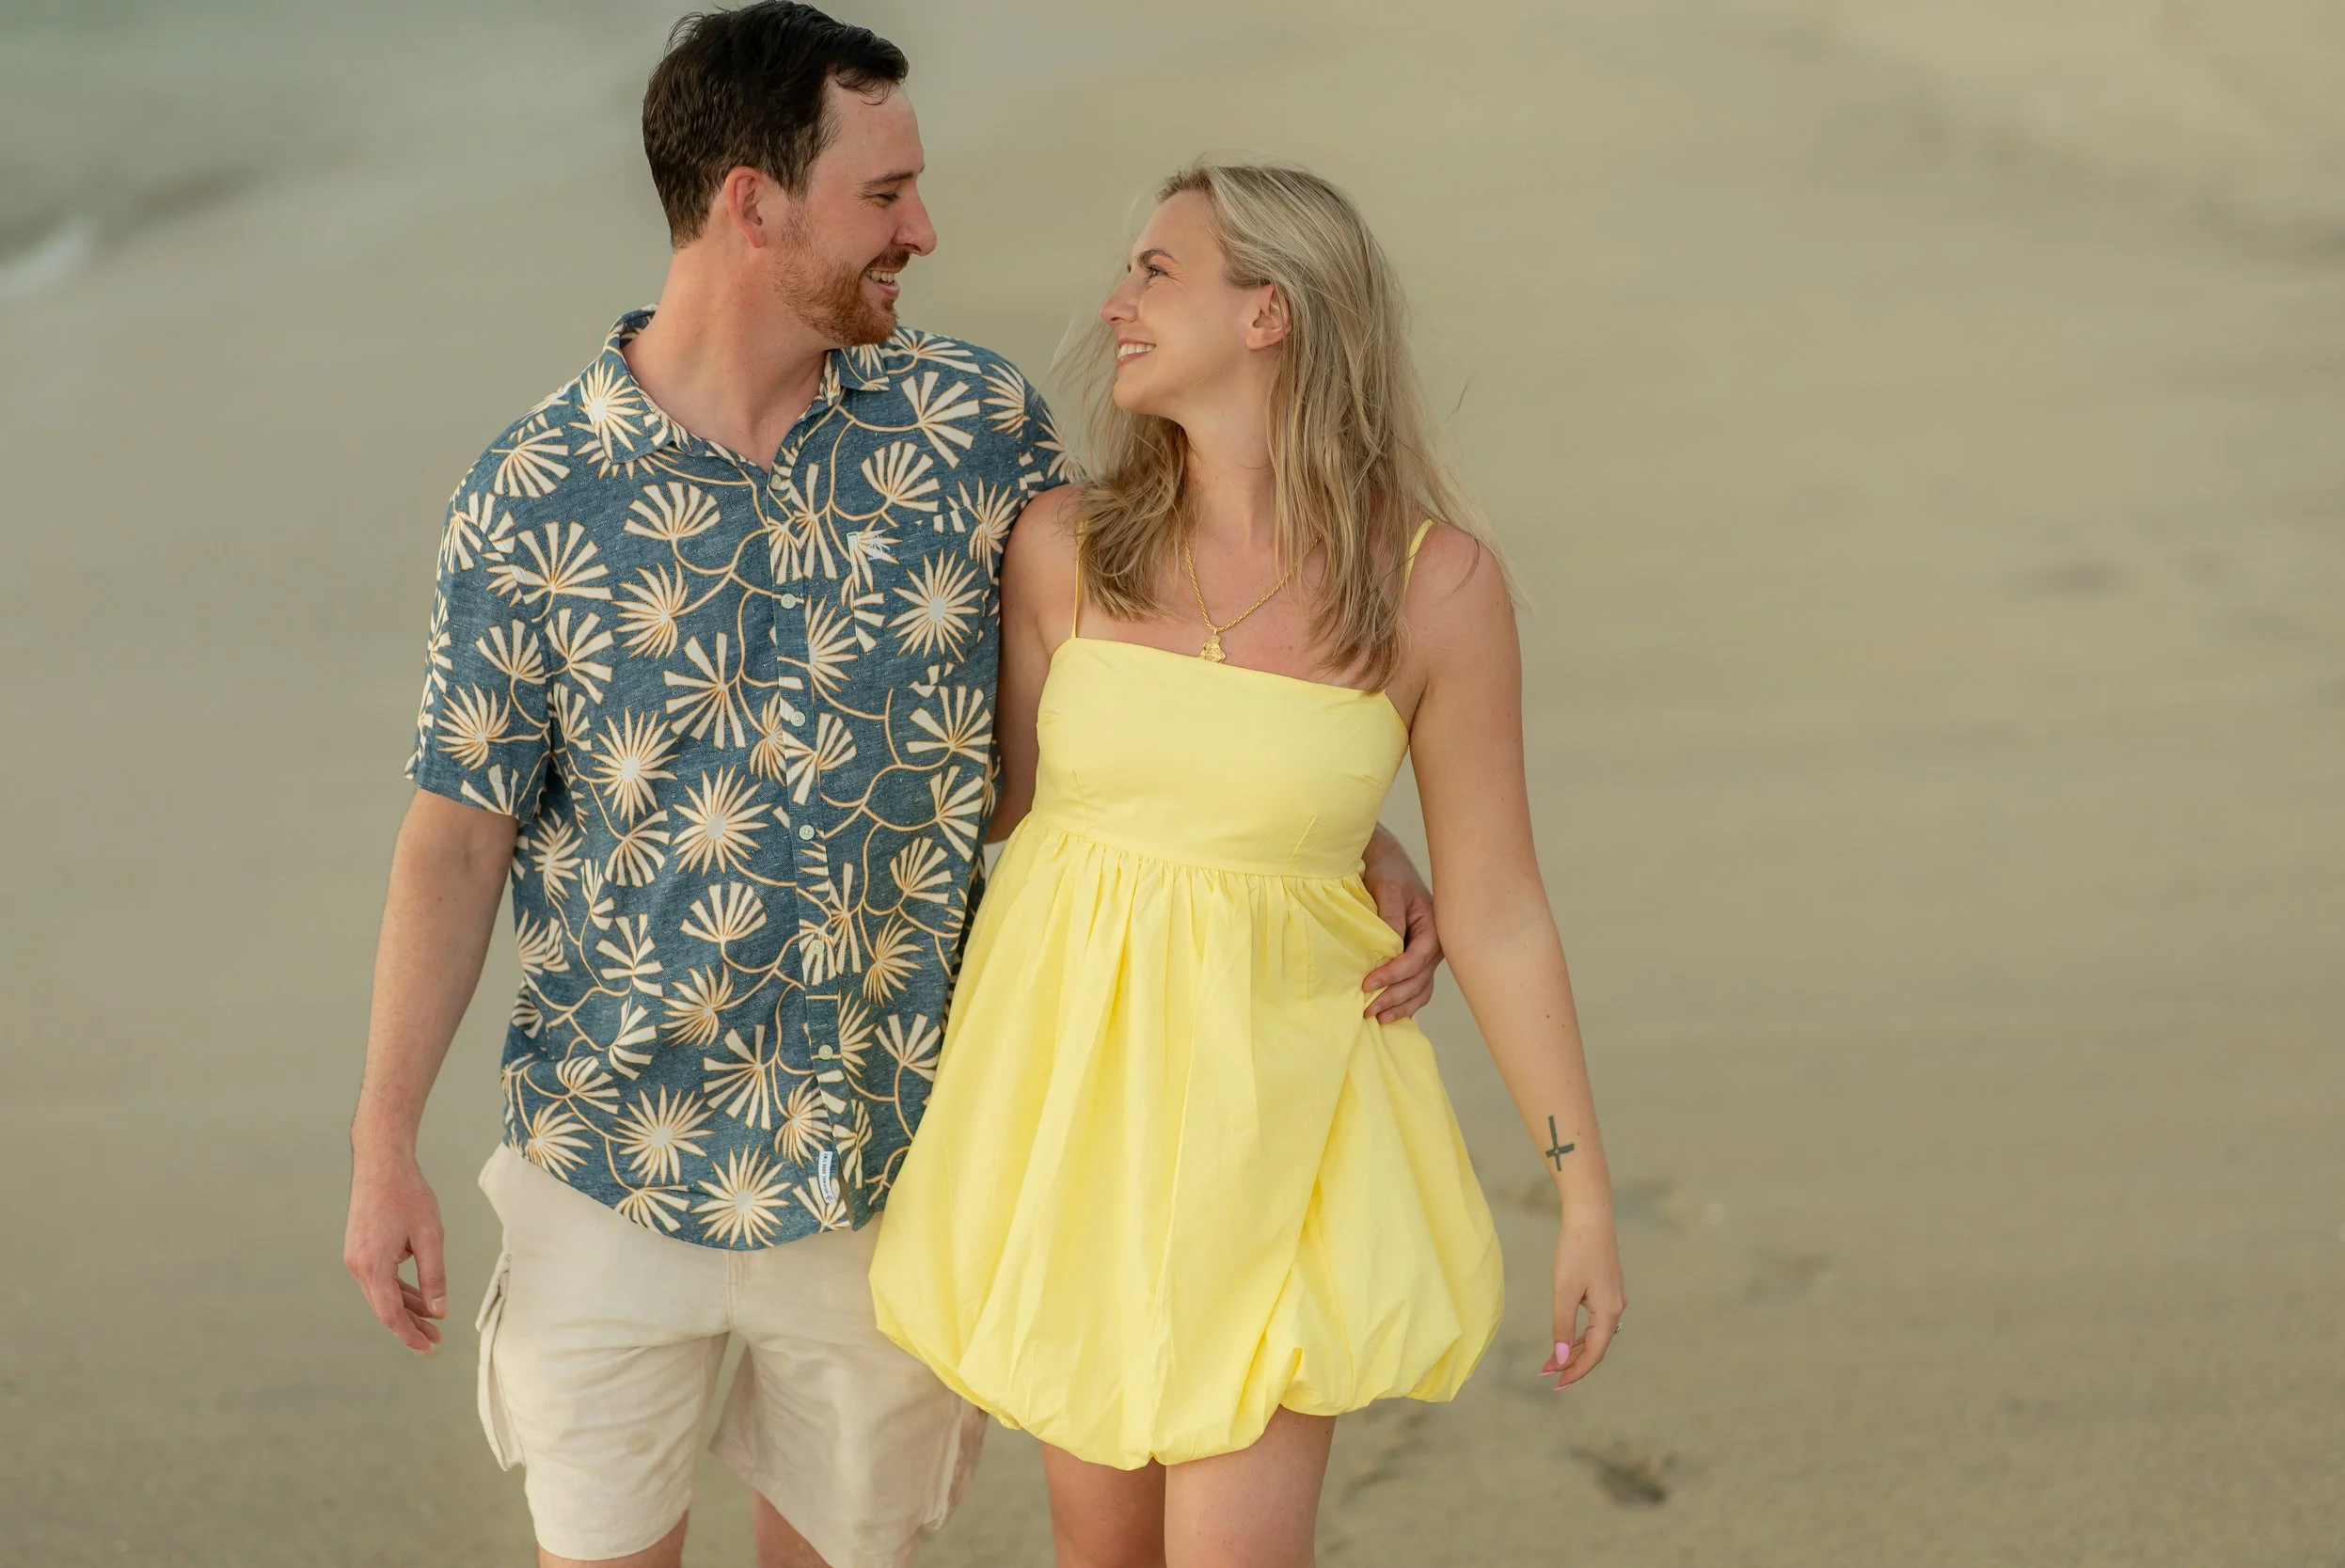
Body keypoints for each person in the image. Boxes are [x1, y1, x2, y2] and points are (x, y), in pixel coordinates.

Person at [340, 8, 1446, 1568]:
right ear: (750, 202)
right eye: (885, 195)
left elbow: (1137, 677)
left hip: (894, 1160)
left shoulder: (975, 432)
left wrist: (1344, 826)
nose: (924, 228)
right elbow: (456, 837)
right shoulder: (536, 493)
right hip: (605, 1166)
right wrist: (385, 1143)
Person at [868, 162, 1627, 1567]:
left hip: (1287, 1128)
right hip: (1077, 1124)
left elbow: (1504, 914)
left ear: (1269, 312)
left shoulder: (1434, 588)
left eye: (1156, 271)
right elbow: (1005, 816)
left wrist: (1579, 1188)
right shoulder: (1060, 548)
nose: (1114, 304)